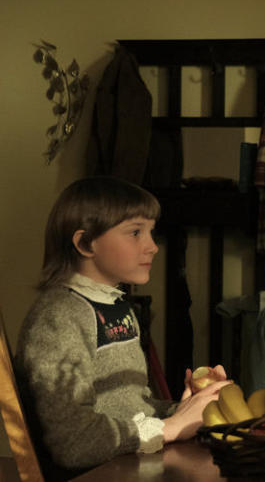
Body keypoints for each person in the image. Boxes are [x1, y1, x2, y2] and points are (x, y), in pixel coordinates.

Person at [15, 176, 231, 477]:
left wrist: (184, 410)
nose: (153, 247)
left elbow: (125, 409)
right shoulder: (59, 318)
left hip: (130, 467)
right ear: (85, 243)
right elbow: (73, 443)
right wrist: (170, 427)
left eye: (151, 233)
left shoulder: (116, 306)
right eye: (135, 233)